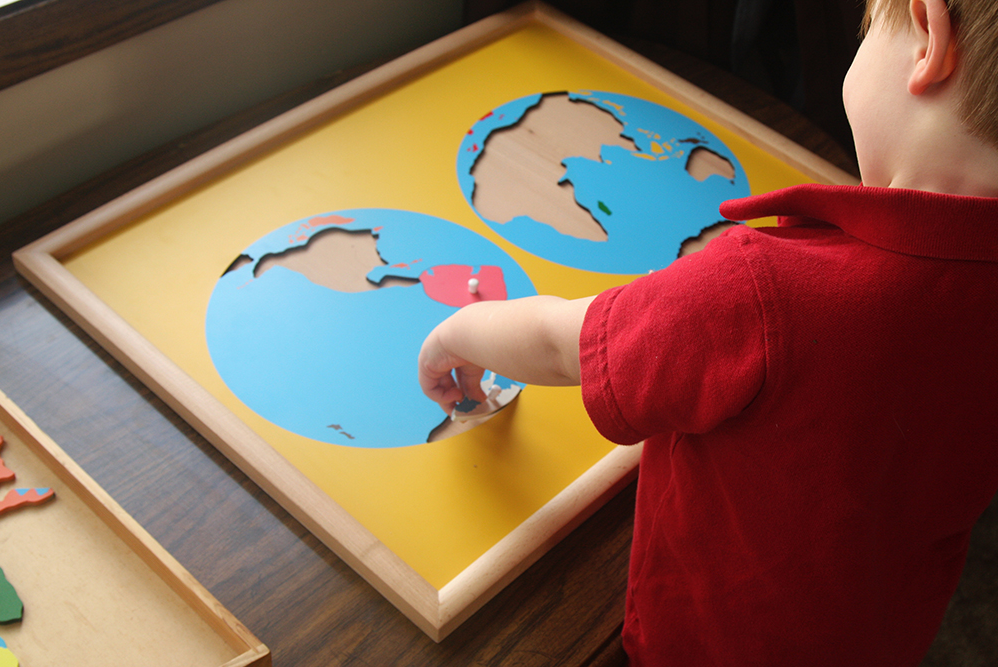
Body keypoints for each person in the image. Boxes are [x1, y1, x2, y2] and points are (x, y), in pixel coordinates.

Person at [418, 0, 998, 663]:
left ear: (927, 34)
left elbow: (562, 341)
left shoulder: (758, 292)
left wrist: (457, 332)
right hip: (882, 634)